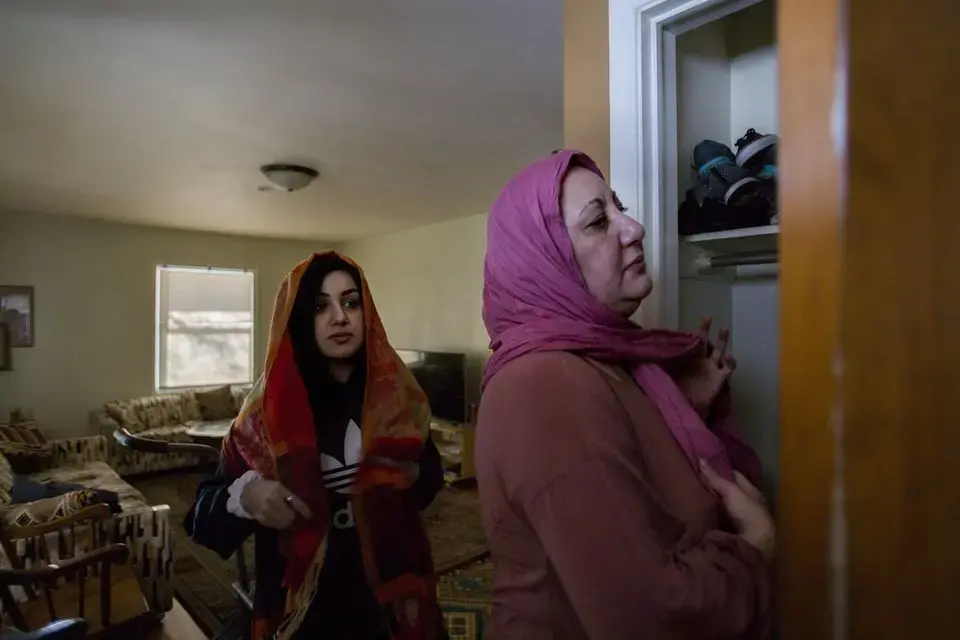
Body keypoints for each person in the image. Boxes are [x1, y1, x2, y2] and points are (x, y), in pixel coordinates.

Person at [475, 150, 775, 639]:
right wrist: (756, 545)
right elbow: (646, 615)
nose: (633, 227)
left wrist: (683, 407)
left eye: (619, 206)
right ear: (544, 264)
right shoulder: (544, 386)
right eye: (598, 221)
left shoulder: (600, 364)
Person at [185, 251, 446, 640]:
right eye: (320, 306)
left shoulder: (397, 398)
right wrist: (248, 494)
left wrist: (413, 474)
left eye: (351, 303)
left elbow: (431, 473)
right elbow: (200, 518)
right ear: (300, 320)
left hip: (394, 600)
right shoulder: (264, 414)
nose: (339, 317)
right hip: (302, 611)